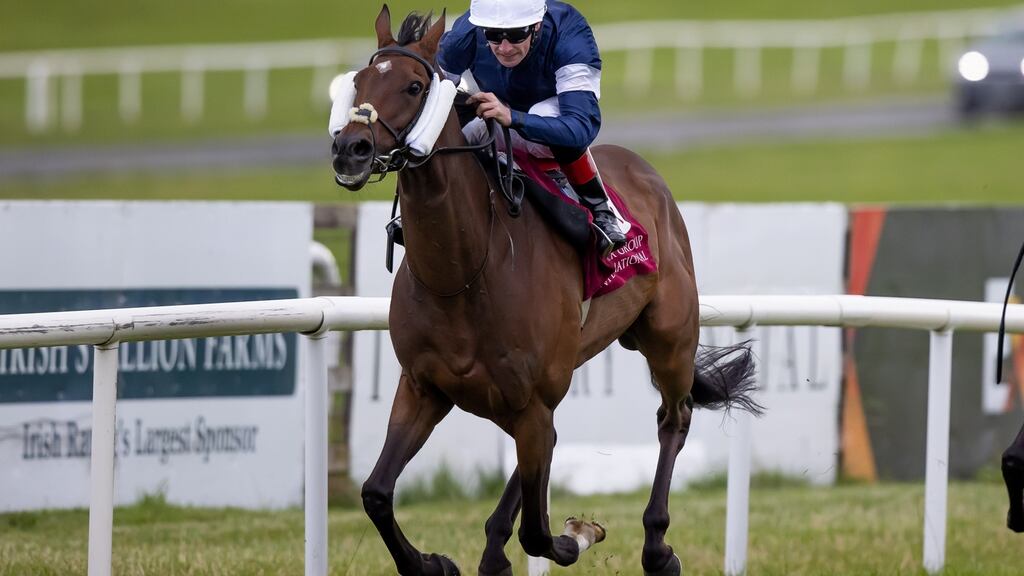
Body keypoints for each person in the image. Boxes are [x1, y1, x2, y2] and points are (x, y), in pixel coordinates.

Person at [437, 0, 626, 256]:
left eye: (516, 35)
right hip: (498, 108)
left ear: (536, 25)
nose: (504, 48)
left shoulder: (569, 33)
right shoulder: (467, 31)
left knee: (542, 113)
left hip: (549, 115)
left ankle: (601, 211)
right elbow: (432, 96)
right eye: (493, 36)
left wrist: (513, 117)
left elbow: (581, 128)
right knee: (453, 122)